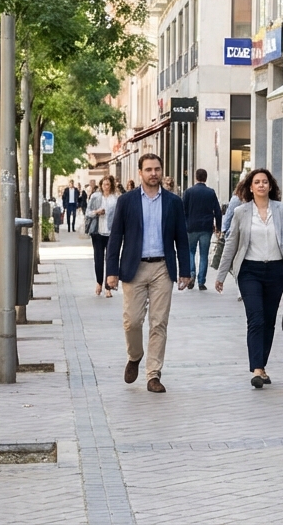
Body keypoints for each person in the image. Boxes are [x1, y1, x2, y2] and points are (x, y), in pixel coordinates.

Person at [105, 154, 191, 393]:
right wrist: (111, 271)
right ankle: (135, 356)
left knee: (159, 322)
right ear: (140, 173)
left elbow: (182, 239)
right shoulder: (127, 201)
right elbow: (115, 237)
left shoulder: (174, 202)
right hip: (134, 268)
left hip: (163, 268)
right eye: (149, 169)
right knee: (132, 321)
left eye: (157, 169)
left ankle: (153, 374)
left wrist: (185, 270)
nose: (154, 173)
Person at [215, 168, 283, 388]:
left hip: (276, 271)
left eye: (265, 182)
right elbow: (231, 243)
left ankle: (262, 366)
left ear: (270, 186)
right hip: (249, 271)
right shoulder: (241, 212)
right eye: (257, 182)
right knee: (256, 318)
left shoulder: (281, 210)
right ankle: (257, 369)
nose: (261, 185)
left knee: (269, 321)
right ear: (250, 188)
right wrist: (221, 275)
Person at [182, 169, 222, 291]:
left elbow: (182, 210)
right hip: (206, 227)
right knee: (204, 254)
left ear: (196, 177)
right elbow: (218, 211)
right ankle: (201, 282)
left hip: (191, 227)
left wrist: (183, 225)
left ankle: (191, 275)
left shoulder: (188, 192)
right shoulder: (210, 192)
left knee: (190, 252)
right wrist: (218, 227)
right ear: (206, 178)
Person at [87, 176, 121, 298]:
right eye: (104, 184)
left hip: (111, 233)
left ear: (111, 185)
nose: (106, 187)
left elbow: (119, 215)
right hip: (97, 232)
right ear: (101, 185)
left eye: (108, 184)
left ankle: (108, 287)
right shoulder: (95, 197)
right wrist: (97, 212)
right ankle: (99, 283)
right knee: (98, 259)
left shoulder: (115, 199)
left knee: (110, 259)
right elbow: (88, 212)